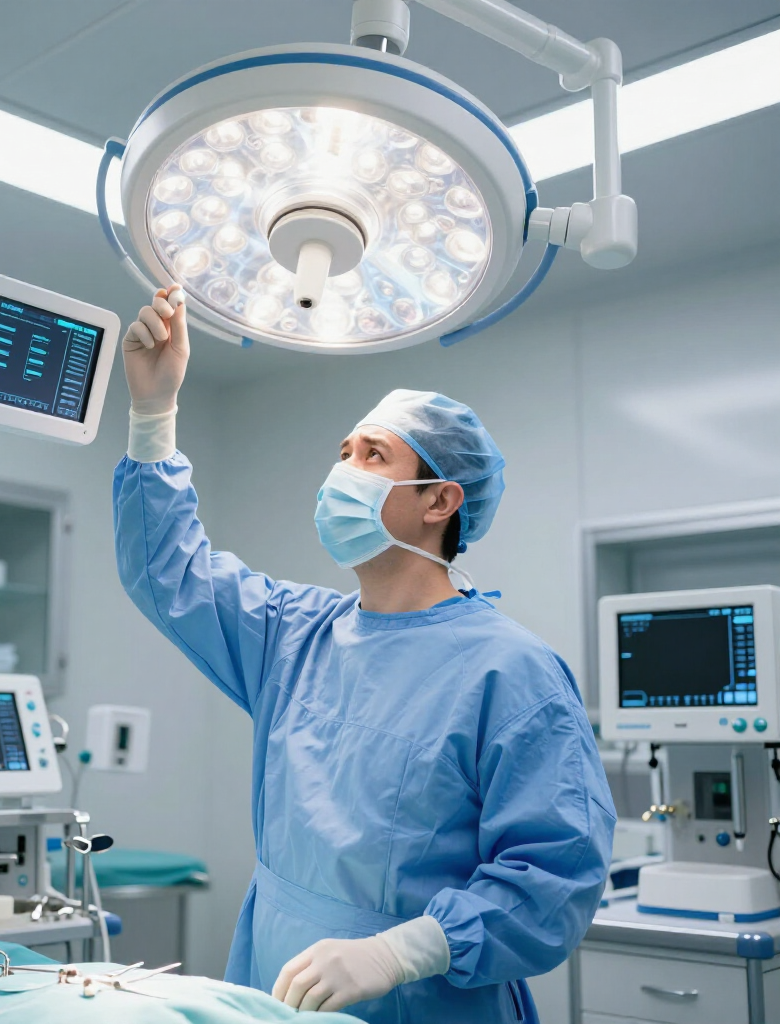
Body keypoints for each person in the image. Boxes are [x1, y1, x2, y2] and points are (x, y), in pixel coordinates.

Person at [113, 285, 615, 1024]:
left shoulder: (510, 673)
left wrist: (400, 952)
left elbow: (554, 877)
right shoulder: (294, 635)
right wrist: (154, 413)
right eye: (342, 452)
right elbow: (168, 573)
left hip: (430, 1000)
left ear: (440, 500)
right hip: (278, 984)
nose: (340, 473)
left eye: (371, 455)